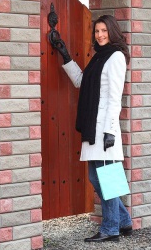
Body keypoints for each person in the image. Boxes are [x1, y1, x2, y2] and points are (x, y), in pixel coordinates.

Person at [51, 15, 132, 243]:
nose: (100, 35)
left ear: (112, 32)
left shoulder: (115, 57)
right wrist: (65, 54)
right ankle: (123, 221)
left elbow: (115, 97)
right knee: (97, 178)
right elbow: (81, 81)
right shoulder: (98, 58)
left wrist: (110, 131)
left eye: (104, 30)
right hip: (92, 126)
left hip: (104, 128)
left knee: (107, 178)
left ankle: (110, 229)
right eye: (97, 31)